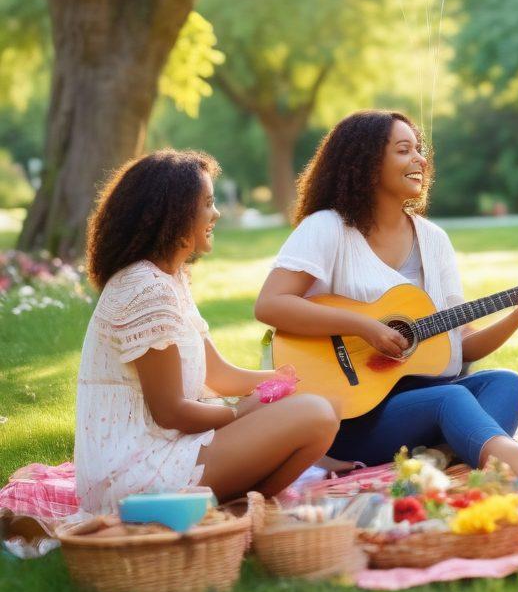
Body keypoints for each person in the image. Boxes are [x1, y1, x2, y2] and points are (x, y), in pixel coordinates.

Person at [254, 110, 518, 477]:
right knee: (452, 398)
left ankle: (441, 459)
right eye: (404, 150)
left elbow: (460, 346)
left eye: (419, 149)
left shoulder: (434, 240)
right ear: (367, 162)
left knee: (506, 384)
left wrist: (517, 317)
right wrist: (363, 326)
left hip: (419, 403)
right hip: (350, 414)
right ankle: (509, 460)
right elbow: (271, 304)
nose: (420, 159)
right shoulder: (327, 228)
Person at [75, 151, 338, 514]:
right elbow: (171, 413)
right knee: (315, 415)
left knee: (319, 404)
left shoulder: (170, 279)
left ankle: (235, 511)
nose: (216, 215)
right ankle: (233, 512)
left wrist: (288, 381)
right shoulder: (145, 289)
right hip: (137, 473)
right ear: (176, 212)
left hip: (167, 449)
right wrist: (240, 414)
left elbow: (220, 374)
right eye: (208, 204)